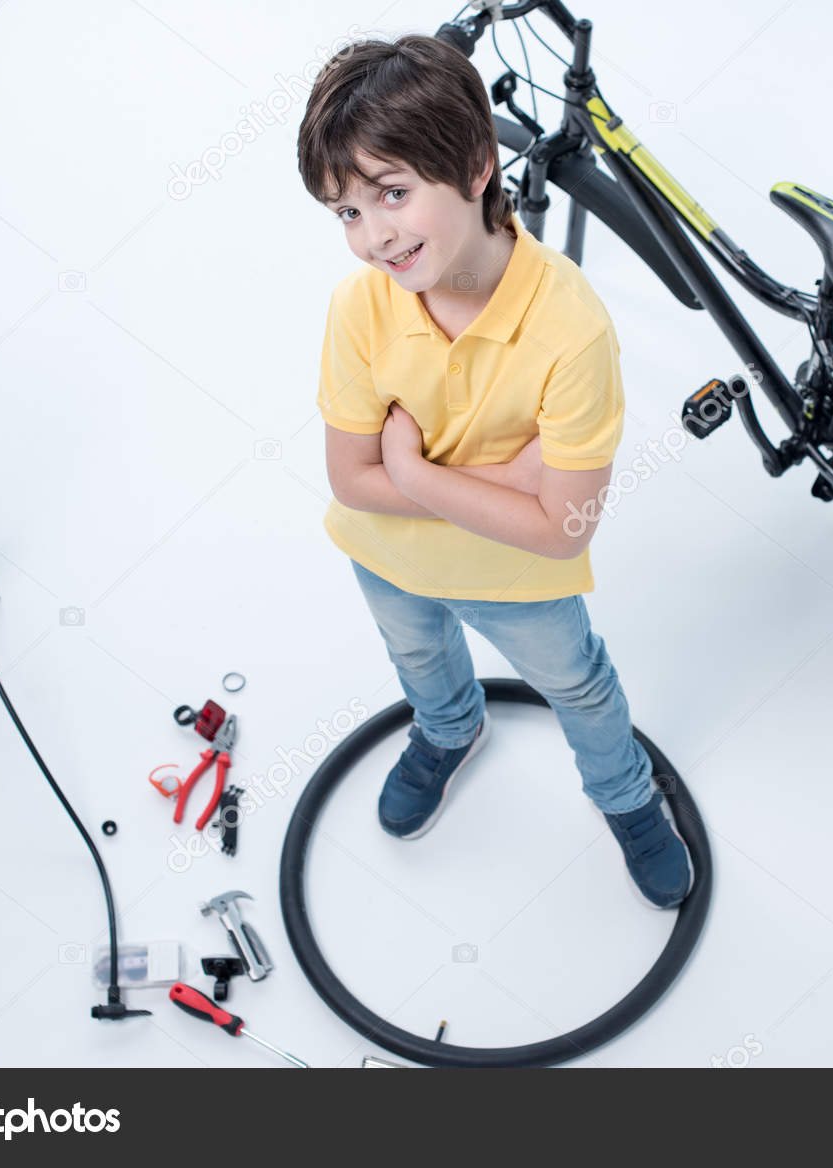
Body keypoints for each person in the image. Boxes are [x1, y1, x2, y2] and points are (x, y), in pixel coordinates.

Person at [296, 33, 691, 908]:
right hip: (389, 560)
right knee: (418, 655)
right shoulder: (360, 309)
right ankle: (448, 729)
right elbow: (348, 483)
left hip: (517, 579)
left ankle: (624, 797)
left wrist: (417, 469)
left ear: (477, 167)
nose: (373, 238)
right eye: (348, 213)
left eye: (393, 194)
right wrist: (509, 482)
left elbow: (561, 533)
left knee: (578, 685)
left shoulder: (571, 329)